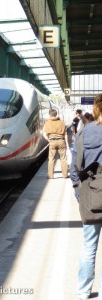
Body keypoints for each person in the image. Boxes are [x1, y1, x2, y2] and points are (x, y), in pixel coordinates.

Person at [70, 94, 102, 300]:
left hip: (92, 193)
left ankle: (83, 291)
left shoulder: (84, 133)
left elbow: (75, 168)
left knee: (89, 245)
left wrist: (80, 193)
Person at [43, 108, 69, 179]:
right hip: (61, 141)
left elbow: (44, 134)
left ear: (49, 114)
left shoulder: (47, 123)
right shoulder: (62, 122)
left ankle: (50, 175)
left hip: (52, 141)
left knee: (51, 159)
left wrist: (49, 140)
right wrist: (67, 144)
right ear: (56, 114)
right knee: (63, 158)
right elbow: (65, 134)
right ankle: (65, 175)